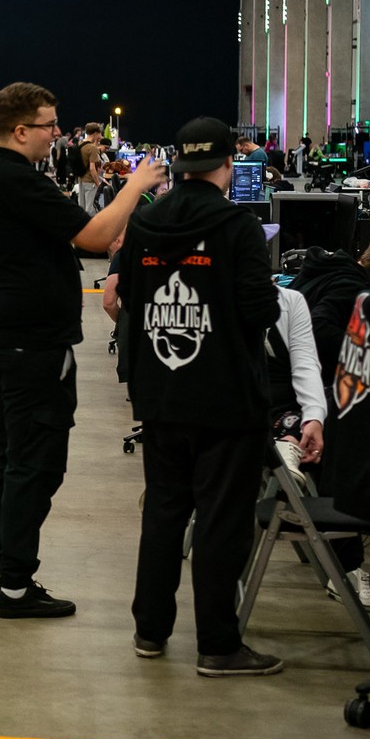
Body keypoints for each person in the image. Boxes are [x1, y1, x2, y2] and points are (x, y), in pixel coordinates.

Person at [0, 81, 166, 619]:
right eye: (48, 125)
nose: (56, 134)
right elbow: (94, 237)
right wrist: (135, 186)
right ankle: (16, 587)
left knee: (5, 456)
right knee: (36, 465)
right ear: (21, 130)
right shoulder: (18, 180)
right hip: (32, 342)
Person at [115, 117, 286, 676]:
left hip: (160, 393)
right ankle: (217, 643)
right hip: (226, 397)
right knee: (220, 521)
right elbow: (260, 310)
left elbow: (128, 300)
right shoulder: (238, 226)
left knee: (164, 512)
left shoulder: (144, 223)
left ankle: (149, 631)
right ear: (226, 165)